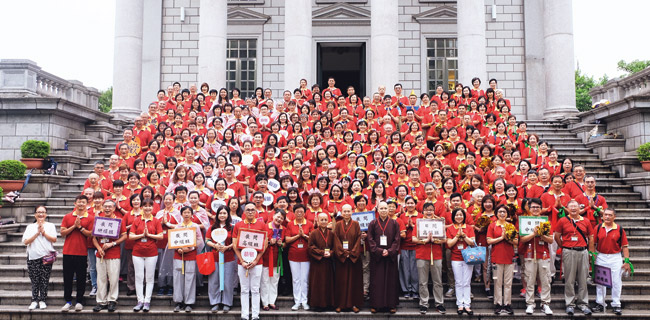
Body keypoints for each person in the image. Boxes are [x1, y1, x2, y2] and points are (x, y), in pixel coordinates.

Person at [554, 199, 594, 316]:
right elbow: (557, 236)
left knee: (583, 279)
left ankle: (583, 303)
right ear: (567, 208)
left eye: (575, 206)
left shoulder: (585, 221)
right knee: (569, 279)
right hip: (569, 251)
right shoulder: (563, 221)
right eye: (570, 206)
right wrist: (565, 247)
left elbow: (591, 237)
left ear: (579, 208)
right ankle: (570, 304)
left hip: (583, 251)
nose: (573, 208)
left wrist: (591, 252)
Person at [590, 208, 630, 316]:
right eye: (605, 215)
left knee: (616, 281)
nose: (607, 217)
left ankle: (616, 304)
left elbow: (625, 246)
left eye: (610, 215)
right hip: (601, 256)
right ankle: (600, 303)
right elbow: (593, 243)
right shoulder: (598, 228)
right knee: (600, 281)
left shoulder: (619, 229)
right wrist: (592, 256)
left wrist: (626, 261)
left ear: (614, 217)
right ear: (602, 216)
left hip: (615, 257)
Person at [233, 202, 268, 320]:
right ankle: (244, 315)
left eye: (252, 210)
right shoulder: (238, 225)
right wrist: (242, 261)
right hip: (242, 263)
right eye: (248, 210)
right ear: (244, 212)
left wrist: (256, 260)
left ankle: (255, 315)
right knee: (244, 289)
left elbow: (265, 244)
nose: (250, 212)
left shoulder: (261, 225)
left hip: (257, 263)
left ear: (256, 212)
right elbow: (234, 245)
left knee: (255, 289)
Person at [92, 200, 127, 312]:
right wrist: (99, 248)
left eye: (110, 207)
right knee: (101, 279)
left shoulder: (118, 221)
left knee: (113, 278)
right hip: (100, 253)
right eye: (105, 206)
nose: (107, 209)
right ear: (102, 207)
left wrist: (112, 243)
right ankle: (101, 301)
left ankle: (112, 300)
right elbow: (93, 238)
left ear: (114, 208)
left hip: (113, 253)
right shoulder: (98, 220)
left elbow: (124, 236)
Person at [519, 198, 554, 315]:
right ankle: (530, 303)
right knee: (529, 279)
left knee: (545, 280)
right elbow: (522, 239)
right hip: (529, 253)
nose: (535, 209)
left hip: (543, 254)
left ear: (541, 208)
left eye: (537, 207)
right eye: (533, 207)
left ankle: (545, 303)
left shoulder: (545, 221)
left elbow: (550, 239)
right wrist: (534, 234)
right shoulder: (525, 221)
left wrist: (541, 235)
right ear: (529, 208)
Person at [60, 195, 94, 312]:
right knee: (68, 277)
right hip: (68, 252)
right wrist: (74, 226)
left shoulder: (90, 218)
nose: (81, 204)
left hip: (82, 252)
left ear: (87, 204)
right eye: (79, 202)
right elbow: (62, 232)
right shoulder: (68, 217)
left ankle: (79, 300)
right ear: (75, 203)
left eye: (83, 202)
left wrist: (80, 228)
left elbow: (90, 234)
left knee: (81, 278)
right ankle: (68, 301)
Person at [130, 198, 163, 312]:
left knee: (149, 278)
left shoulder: (156, 221)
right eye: (145, 206)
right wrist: (141, 235)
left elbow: (160, 236)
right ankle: (140, 301)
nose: (147, 208)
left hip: (151, 252)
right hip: (137, 252)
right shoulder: (137, 220)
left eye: (150, 206)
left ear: (153, 208)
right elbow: (131, 236)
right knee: (139, 277)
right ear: (142, 207)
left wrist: (149, 235)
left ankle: (147, 301)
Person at [367, 201, 401, 313]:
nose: (383, 210)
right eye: (381, 208)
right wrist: (379, 251)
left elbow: (397, 240)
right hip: (377, 257)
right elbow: (370, 240)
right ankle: (376, 304)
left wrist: (390, 251)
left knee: (391, 280)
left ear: (388, 210)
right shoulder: (372, 223)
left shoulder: (394, 223)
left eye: (385, 208)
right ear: (377, 209)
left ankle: (391, 305)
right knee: (377, 281)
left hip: (390, 256)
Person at [413, 202, 446, 314]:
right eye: (426, 209)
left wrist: (435, 240)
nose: (429, 212)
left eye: (431, 209)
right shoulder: (419, 223)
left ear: (434, 211)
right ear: (423, 211)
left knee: (438, 281)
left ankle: (439, 303)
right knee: (423, 281)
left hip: (436, 255)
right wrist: (424, 241)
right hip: (422, 254)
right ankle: (424, 303)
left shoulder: (439, 222)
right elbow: (413, 238)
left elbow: (444, 239)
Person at [22, 206, 57, 310]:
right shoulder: (30, 227)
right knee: (34, 279)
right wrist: (37, 233)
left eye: (43, 212)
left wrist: (43, 232)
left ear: (46, 214)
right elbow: (25, 242)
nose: (41, 214)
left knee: (44, 279)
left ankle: (42, 300)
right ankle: (34, 300)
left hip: (47, 256)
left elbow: (54, 239)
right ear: (35, 214)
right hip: (33, 256)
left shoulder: (50, 226)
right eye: (39, 212)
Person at [487, 204, 518, 315]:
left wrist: (508, 239)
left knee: (508, 282)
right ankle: (498, 303)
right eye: (500, 212)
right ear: (496, 214)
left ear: (507, 214)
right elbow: (489, 241)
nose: (502, 214)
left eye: (504, 212)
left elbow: (516, 242)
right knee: (498, 282)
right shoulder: (492, 226)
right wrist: (501, 238)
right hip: (497, 256)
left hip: (509, 257)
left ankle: (507, 304)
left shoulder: (511, 226)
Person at [333, 204, 363, 313]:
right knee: (341, 281)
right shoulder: (337, 224)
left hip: (353, 257)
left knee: (353, 281)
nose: (346, 213)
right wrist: (343, 252)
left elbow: (358, 238)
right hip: (342, 258)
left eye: (348, 211)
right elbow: (335, 239)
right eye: (344, 211)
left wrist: (352, 252)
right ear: (341, 212)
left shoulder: (356, 224)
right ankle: (340, 304)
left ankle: (353, 304)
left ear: (352, 212)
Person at [172, 206, 203, 312]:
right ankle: (178, 301)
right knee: (178, 278)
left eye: (188, 212)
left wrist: (190, 248)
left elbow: (199, 240)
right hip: (178, 255)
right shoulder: (177, 227)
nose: (186, 214)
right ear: (181, 214)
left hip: (190, 255)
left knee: (190, 277)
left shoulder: (195, 226)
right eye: (184, 212)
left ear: (192, 214)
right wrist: (179, 248)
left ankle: (189, 302)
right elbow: (173, 241)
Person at [446, 208, 475, 315]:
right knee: (458, 282)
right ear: (453, 216)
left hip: (468, 258)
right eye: (457, 215)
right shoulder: (450, 229)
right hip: (456, 258)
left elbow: (472, 242)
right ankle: (460, 305)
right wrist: (457, 235)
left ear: (464, 216)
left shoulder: (469, 227)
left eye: (461, 215)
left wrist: (464, 236)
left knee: (466, 282)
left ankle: (467, 305)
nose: (459, 217)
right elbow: (449, 244)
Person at [207, 206, 236, 313]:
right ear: (217, 215)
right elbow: (207, 240)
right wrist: (215, 246)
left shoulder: (232, 227)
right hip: (214, 257)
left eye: (224, 213)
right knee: (214, 280)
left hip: (228, 257)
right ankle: (215, 302)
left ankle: (227, 303)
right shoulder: (212, 227)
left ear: (228, 214)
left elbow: (235, 241)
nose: (222, 215)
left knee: (228, 281)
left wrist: (227, 247)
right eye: (220, 213)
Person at [285, 203, 313, 310]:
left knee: (304, 279)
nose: (299, 213)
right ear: (294, 213)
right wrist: (298, 236)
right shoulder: (290, 224)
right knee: (296, 279)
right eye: (297, 211)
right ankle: (297, 301)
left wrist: (304, 236)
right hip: (293, 255)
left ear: (305, 212)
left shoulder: (309, 224)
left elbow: (312, 239)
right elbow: (287, 240)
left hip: (306, 255)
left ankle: (304, 301)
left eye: (301, 211)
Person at [307, 212, 336, 311]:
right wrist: (322, 253)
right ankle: (317, 304)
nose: (323, 222)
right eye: (321, 220)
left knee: (328, 282)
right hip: (318, 262)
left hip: (328, 263)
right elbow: (310, 247)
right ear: (317, 221)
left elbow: (335, 247)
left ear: (328, 221)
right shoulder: (314, 233)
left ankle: (328, 303)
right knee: (317, 283)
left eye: (325, 219)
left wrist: (331, 253)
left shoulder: (331, 233)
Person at [261, 209, 286, 311]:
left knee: (274, 281)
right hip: (266, 257)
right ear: (273, 215)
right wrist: (268, 241)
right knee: (265, 281)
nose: (279, 219)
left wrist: (281, 244)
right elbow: (260, 241)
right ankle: (265, 303)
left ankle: (272, 301)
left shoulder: (283, 229)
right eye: (278, 216)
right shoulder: (266, 227)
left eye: (281, 218)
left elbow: (285, 243)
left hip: (277, 258)